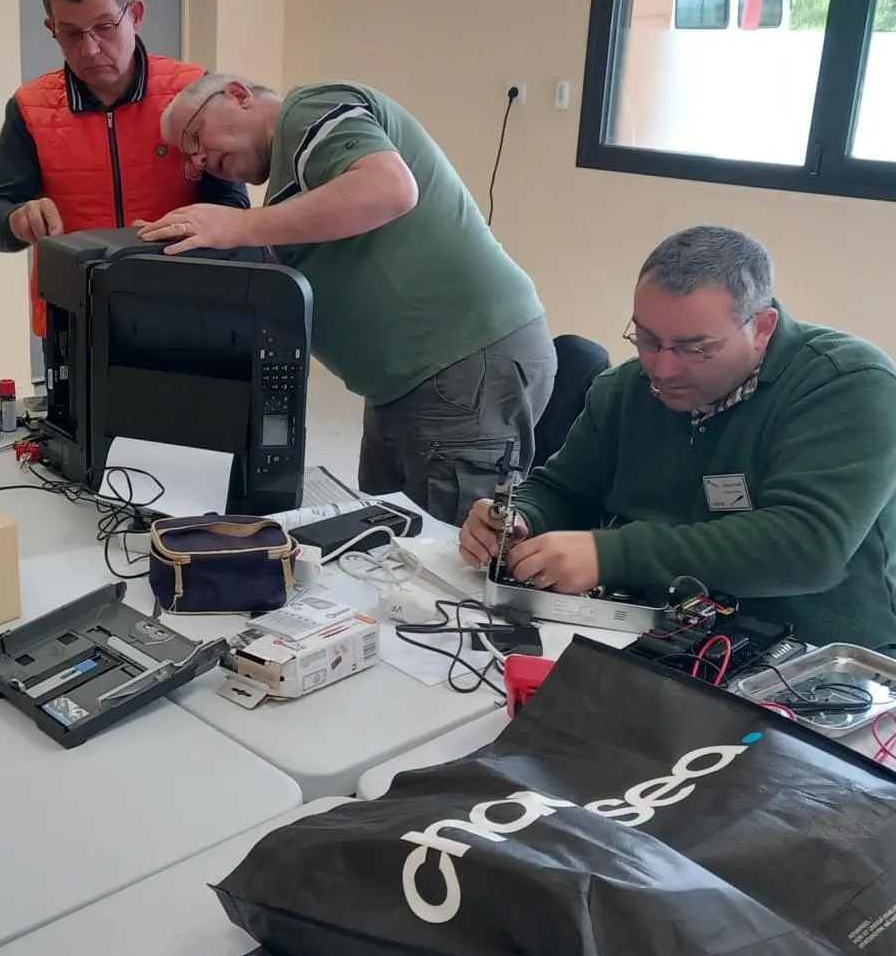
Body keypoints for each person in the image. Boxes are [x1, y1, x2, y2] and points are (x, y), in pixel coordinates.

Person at [135, 74, 556, 525]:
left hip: (462, 366)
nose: (198, 162)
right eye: (188, 159)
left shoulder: (309, 108)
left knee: (452, 552)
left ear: (238, 95)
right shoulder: (291, 188)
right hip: (408, 384)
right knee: (386, 542)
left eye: (195, 137)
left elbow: (390, 188)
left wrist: (238, 226)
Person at [460, 225, 896, 650]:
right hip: (655, 636)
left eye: (695, 348)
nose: (662, 369)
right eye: (647, 339)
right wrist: (520, 518)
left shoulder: (848, 384)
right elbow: (565, 489)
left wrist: (611, 555)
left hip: (812, 659)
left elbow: (806, 545)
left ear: (762, 328)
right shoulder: (623, 390)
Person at [0, 0, 248, 338]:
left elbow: (233, 204)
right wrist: (17, 221)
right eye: (70, 33)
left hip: (188, 308)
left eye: (104, 27)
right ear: (52, 30)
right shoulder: (29, 108)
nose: (89, 49)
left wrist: (186, 228)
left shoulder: (193, 91)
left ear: (134, 15)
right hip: (76, 319)